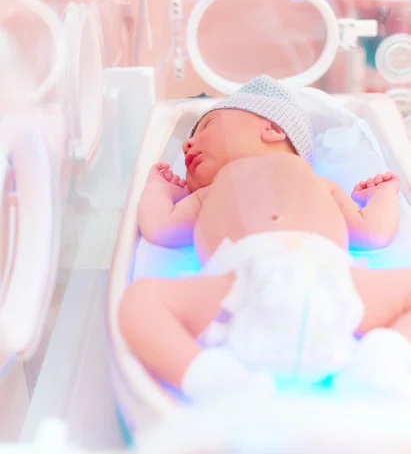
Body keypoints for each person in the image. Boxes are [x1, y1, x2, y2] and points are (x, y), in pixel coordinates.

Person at [119, 75, 411, 401]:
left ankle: (384, 357)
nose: (187, 145)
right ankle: (214, 379)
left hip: (331, 281)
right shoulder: (213, 191)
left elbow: (373, 232)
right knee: (136, 301)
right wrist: (160, 189)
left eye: (207, 125)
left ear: (271, 129)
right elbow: (158, 227)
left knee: (142, 301)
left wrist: (384, 195)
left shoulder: (316, 182)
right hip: (243, 285)